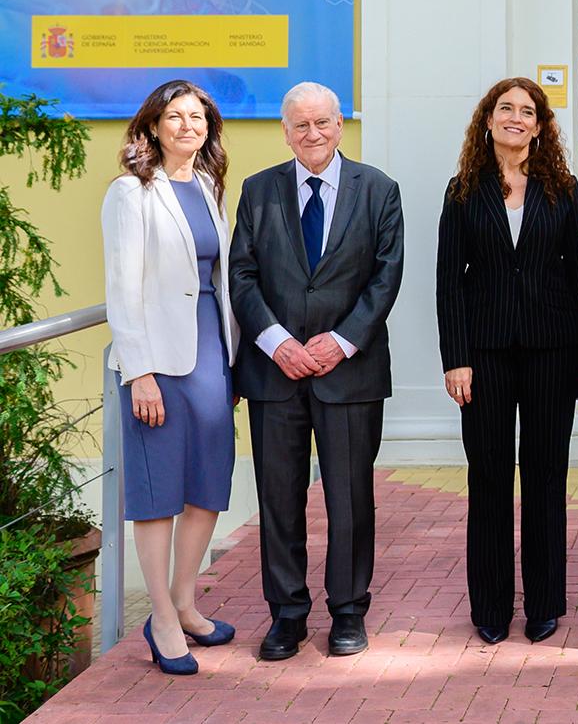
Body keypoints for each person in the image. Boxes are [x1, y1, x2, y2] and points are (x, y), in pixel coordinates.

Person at [230, 82, 405, 661]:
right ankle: (286, 615)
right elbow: (242, 277)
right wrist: (278, 343)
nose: (312, 135)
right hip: (275, 374)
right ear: (285, 131)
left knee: (350, 498)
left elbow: (386, 276)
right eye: (300, 125)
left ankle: (349, 612)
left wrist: (343, 340)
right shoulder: (258, 191)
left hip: (349, 374)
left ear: (340, 125)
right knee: (279, 498)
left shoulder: (378, 189)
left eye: (322, 123)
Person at [436, 78, 578, 646]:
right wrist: (455, 359)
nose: (516, 117)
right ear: (488, 120)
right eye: (506, 108)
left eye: (527, 111)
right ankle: (491, 607)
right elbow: (449, 284)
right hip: (483, 356)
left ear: (539, 125)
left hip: (553, 351)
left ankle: (546, 601)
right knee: (490, 476)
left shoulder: (564, 189)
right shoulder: (462, 191)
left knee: (547, 477)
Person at [101, 80, 239, 675]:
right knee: (158, 492)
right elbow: (123, 289)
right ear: (152, 127)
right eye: (175, 116)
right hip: (157, 361)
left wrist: (232, 359)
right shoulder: (130, 192)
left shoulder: (207, 186)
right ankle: (159, 618)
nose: (188, 125)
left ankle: (186, 600)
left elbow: (218, 277)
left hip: (212, 351)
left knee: (209, 482)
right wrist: (142, 374)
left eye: (197, 116)